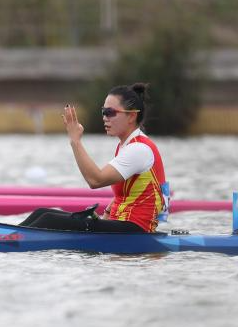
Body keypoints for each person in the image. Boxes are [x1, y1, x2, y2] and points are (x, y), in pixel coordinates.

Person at [20, 82, 167, 233]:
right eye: (103, 112)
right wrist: (106, 215)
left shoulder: (139, 149)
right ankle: (9, 236)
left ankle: (9, 239)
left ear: (131, 116)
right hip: (122, 225)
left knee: (49, 219)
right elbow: (128, 192)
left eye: (110, 112)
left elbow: (95, 180)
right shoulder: (128, 145)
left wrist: (75, 141)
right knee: (41, 213)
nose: (105, 117)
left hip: (136, 231)